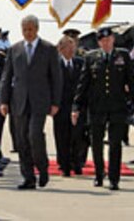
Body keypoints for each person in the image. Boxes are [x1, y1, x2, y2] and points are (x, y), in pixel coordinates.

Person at [72, 27, 134, 191]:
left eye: (108, 40)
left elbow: (131, 82)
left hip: (117, 107)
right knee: (96, 143)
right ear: (99, 42)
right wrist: (76, 106)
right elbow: (83, 85)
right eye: (102, 41)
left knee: (115, 144)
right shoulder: (91, 57)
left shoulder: (123, 56)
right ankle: (98, 175)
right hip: (96, 107)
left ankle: (114, 178)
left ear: (113, 40)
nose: (106, 43)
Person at [0, 15, 62, 189]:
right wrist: (3, 101)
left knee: (34, 135)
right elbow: (6, 76)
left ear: (36, 29)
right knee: (21, 140)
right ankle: (28, 177)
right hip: (19, 101)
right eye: (24, 29)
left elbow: (56, 78)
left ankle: (42, 168)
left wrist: (55, 102)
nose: (27, 33)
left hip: (40, 101)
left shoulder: (48, 49)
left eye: (30, 29)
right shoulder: (15, 49)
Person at [53, 36, 84, 176]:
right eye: (69, 48)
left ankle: (77, 163)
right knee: (62, 137)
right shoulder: (55, 65)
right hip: (60, 107)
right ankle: (65, 166)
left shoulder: (79, 63)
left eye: (73, 48)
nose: (72, 51)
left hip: (76, 107)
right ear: (61, 49)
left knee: (77, 136)